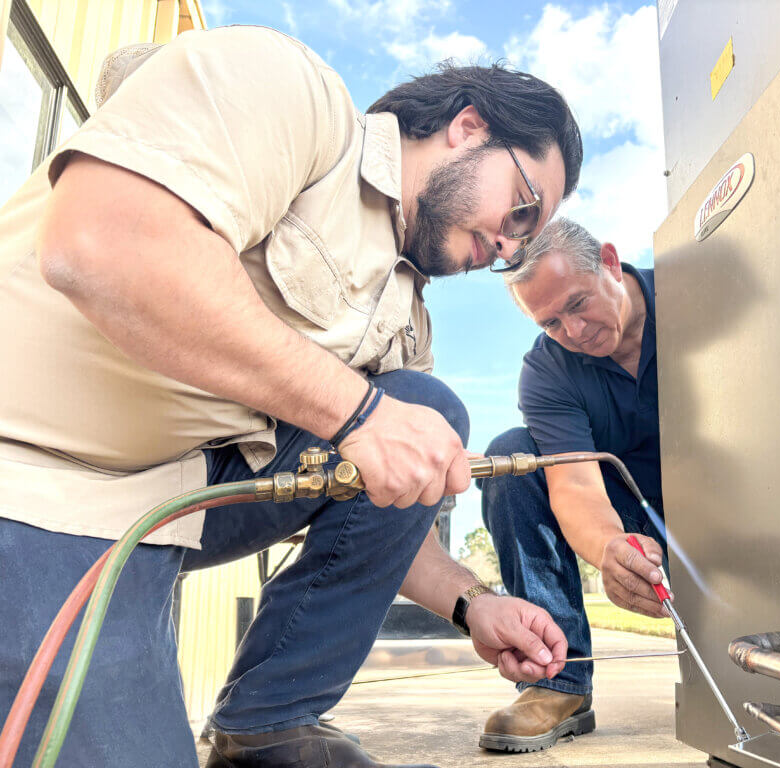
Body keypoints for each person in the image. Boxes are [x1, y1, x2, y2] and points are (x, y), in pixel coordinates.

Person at [0, 26, 583, 768]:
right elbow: (101, 241)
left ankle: (268, 723)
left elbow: (385, 504)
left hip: (172, 502)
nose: (509, 247)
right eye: (522, 210)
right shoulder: (293, 95)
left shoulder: (408, 317)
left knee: (428, 414)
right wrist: (358, 413)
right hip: (38, 476)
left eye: (524, 242)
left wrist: (475, 603)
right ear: (469, 126)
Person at [478, 218, 668, 753]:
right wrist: (612, 549)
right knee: (512, 459)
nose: (575, 332)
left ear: (609, 261)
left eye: (578, 304)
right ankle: (557, 681)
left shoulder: (692, 293)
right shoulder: (548, 371)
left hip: (734, 508)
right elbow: (576, 485)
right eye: (552, 323)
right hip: (636, 527)